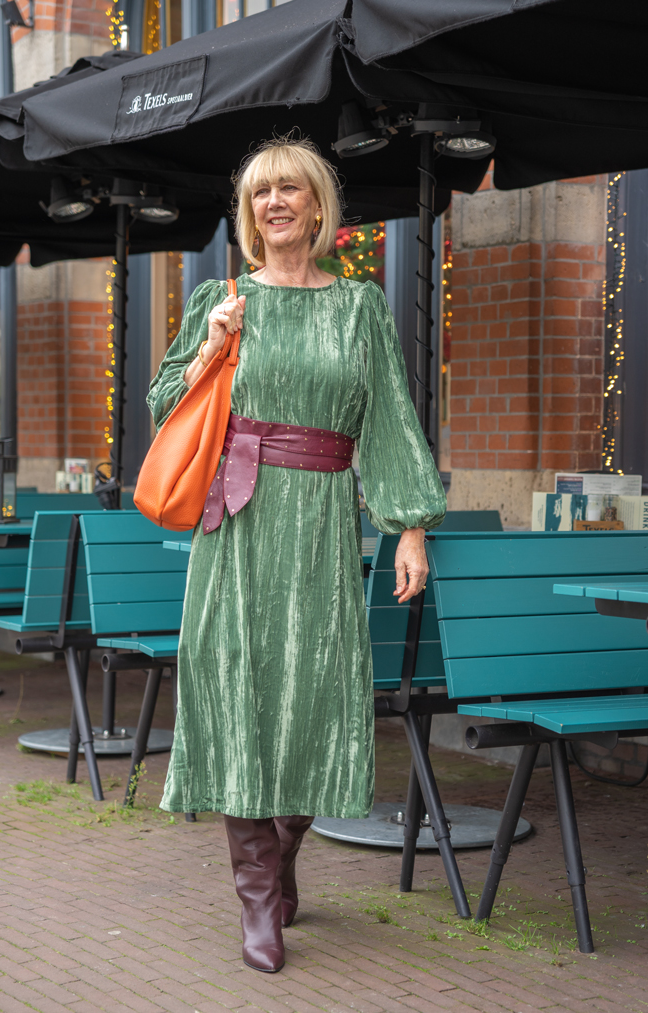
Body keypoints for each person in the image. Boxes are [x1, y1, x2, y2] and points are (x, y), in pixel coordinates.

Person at [147, 137, 446, 974]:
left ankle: (280, 854)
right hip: (234, 525)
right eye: (260, 192)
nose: (275, 201)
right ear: (248, 214)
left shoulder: (359, 308)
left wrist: (409, 522)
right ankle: (256, 896)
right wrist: (209, 345)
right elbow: (164, 407)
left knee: (317, 691)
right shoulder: (222, 296)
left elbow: (386, 414)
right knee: (236, 684)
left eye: (290, 189)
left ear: (318, 208)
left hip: (319, 522)